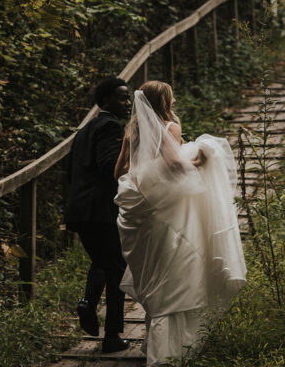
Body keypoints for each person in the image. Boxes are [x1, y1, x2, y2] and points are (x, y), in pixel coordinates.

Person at [114, 80, 246, 367]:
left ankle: (153, 344)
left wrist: (147, 176)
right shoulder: (170, 128)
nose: (174, 103)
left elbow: (120, 172)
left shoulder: (131, 132)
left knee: (157, 276)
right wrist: (201, 158)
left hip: (141, 214)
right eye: (171, 99)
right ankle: (166, 355)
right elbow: (174, 165)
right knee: (174, 278)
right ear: (164, 102)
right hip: (166, 216)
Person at [65, 76, 132, 353]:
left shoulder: (85, 129)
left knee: (103, 261)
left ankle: (87, 303)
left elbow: (71, 170)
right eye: (121, 97)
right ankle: (112, 336)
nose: (127, 103)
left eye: (128, 98)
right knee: (116, 268)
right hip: (100, 211)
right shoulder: (109, 126)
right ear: (105, 101)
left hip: (80, 210)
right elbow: (109, 166)